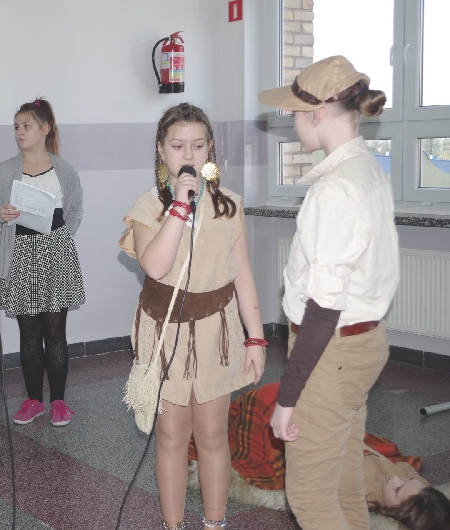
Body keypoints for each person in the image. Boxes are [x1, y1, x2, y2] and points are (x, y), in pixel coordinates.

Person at [258, 55, 400, 530]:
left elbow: (322, 309)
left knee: (311, 499)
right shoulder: (368, 170)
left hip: (331, 353)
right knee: (342, 483)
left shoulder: (335, 191)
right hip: (363, 345)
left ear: (316, 113)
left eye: (295, 113)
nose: (292, 122)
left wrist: (287, 398)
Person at [118, 103, 266, 530]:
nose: (188, 155)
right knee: (171, 436)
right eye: (178, 146)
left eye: (198, 146)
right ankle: (173, 525)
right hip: (165, 334)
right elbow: (155, 265)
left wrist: (256, 338)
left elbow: (243, 276)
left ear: (210, 149)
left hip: (216, 331)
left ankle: (215, 524)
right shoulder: (148, 206)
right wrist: (179, 209)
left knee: (213, 435)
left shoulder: (229, 206)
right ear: (161, 150)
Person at [187, 383, 450, 530]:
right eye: (407, 481)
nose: (397, 479)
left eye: (398, 490)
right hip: (337, 436)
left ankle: (226, 421)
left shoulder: (356, 495)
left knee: (269, 402)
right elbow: (420, 487)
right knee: (291, 394)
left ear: (394, 513)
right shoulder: (408, 485)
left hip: (304, 448)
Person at [0, 98, 85, 427]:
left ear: (45, 128)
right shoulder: (5, 170)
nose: (20, 132)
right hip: (20, 254)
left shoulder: (64, 170)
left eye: (26, 126)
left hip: (55, 253)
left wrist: (60, 239)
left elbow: (74, 211)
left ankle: (58, 402)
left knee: (55, 332)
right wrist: (1, 213)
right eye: (16, 127)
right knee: (28, 332)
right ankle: (33, 400)